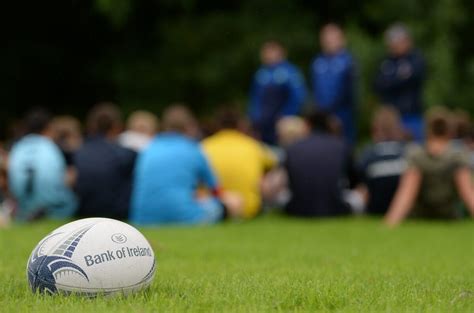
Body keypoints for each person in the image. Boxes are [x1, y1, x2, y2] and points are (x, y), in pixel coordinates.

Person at [130, 105, 238, 225]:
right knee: (234, 201)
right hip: (185, 217)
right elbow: (216, 190)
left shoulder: (149, 148)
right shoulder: (193, 149)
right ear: (189, 127)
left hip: (143, 218)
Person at [384, 108, 474, 226]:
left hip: (419, 218)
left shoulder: (416, 155)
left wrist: (389, 223)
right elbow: (468, 192)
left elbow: (406, 192)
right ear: (449, 131)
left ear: (427, 130)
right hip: (448, 217)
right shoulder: (457, 156)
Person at [202, 108, 277, 218]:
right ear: (241, 125)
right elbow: (275, 162)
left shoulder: (204, 146)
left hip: (217, 208)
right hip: (250, 209)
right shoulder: (253, 146)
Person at [8, 109, 77, 221]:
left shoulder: (18, 147)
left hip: (23, 207)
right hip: (51, 207)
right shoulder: (51, 146)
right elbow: (62, 181)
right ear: (48, 127)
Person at [74, 103, 136, 220]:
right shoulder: (127, 155)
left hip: (83, 212)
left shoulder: (79, 153)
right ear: (117, 126)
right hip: (117, 214)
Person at [284, 110, 351, 217]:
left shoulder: (293, 148)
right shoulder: (341, 146)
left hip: (297, 209)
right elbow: (353, 181)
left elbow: (289, 183)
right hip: (336, 208)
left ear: (308, 124)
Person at [374, 23, 426, 142]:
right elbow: (378, 84)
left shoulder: (416, 59)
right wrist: (400, 78)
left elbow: (415, 77)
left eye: (397, 41)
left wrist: (391, 81)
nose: (393, 45)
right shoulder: (386, 61)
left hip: (411, 114)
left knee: (415, 146)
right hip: (392, 117)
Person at [249, 40, 307, 145]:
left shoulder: (290, 72)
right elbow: (255, 98)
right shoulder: (260, 74)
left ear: (281, 52)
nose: (268, 55)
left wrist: (286, 115)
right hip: (264, 123)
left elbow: (298, 97)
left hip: (283, 122)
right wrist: (255, 118)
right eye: (266, 52)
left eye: (272, 51)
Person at [310, 23, 357, 145]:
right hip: (321, 115)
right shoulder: (318, 61)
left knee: (342, 146)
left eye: (332, 38)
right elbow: (316, 89)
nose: (328, 42)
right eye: (325, 38)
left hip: (342, 114)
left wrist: (333, 114)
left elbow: (348, 91)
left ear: (341, 39)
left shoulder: (347, 61)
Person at [357, 107, 406, 215]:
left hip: (374, 210)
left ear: (375, 129)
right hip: (404, 212)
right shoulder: (407, 151)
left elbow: (360, 184)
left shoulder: (369, 154)